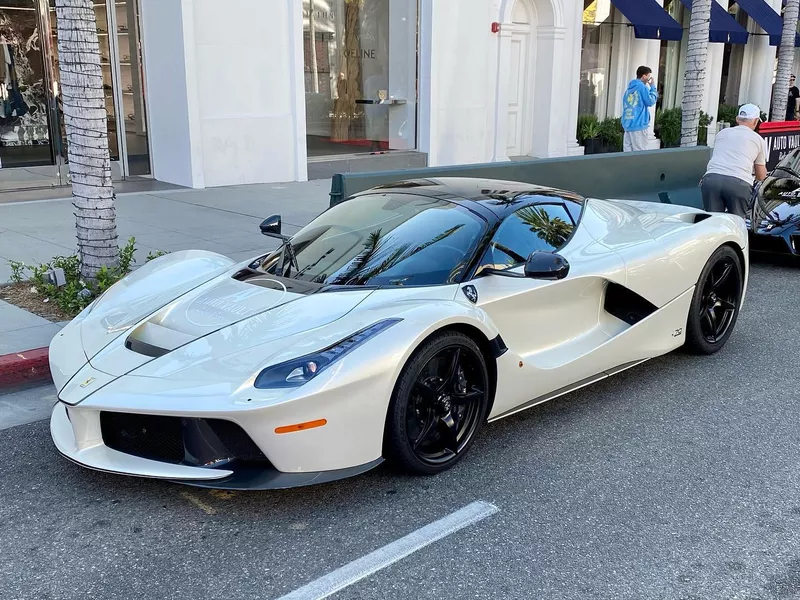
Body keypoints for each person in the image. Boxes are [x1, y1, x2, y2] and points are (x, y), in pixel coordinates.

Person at [699, 103, 767, 218]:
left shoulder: (722, 133)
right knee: (736, 223)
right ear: (755, 121)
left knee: (712, 221)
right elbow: (761, 175)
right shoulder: (758, 140)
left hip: (711, 180)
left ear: (737, 119)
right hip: (739, 183)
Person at [621, 66, 658, 152]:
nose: (649, 79)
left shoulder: (628, 89)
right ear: (644, 76)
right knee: (639, 152)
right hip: (639, 124)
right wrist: (652, 87)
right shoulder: (642, 87)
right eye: (648, 76)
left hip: (628, 124)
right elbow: (650, 101)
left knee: (627, 152)